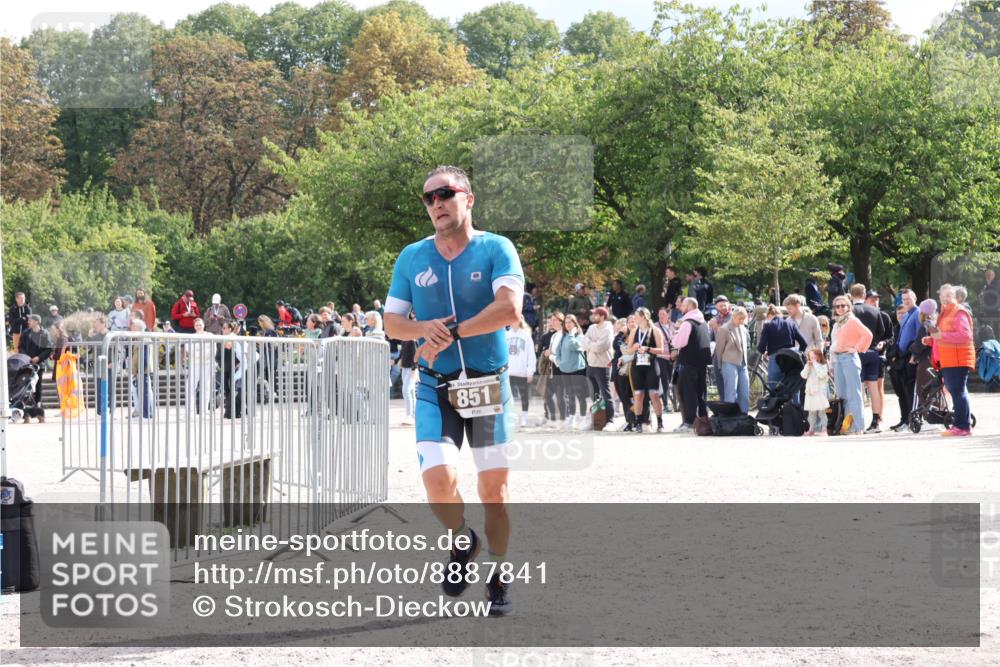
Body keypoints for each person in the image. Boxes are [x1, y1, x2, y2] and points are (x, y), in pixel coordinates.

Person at [382, 165, 523, 615]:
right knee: (438, 485)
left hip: (488, 386)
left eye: (445, 193)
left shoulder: (496, 248)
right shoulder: (412, 256)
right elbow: (392, 322)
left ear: (469, 198)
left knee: (494, 493)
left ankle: (498, 575)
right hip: (435, 388)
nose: (437, 203)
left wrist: (452, 332)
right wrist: (423, 328)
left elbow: (509, 309)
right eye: (429, 198)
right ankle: (464, 540)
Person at [927, 284, 976, 436]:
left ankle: (962, 427)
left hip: (957, 359)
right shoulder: (945, 313)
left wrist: (940, 336)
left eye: (948, 295)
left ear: (955, 296)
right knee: (958, 392)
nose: (945, 298)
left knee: (958, 392)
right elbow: (943, 335)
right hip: (949, 359)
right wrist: (931, 339)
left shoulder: (958, 312)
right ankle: (961, 425)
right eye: (942, 296)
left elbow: (965, 336)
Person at [829, 295, 873, 435]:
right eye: (837, 306)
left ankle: (859, 426)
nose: (840, 308)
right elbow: (834, 344)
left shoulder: (852, 321)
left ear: (849, 307)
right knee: (842, 394)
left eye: (843, 305)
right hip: (837, 360)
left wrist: (857, 348)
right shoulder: (836, 323)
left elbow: (868, 335)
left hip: (849, 359)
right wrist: (832, 363)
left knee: (854, 394)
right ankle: (846, 426)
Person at [849, 284, 888, 432]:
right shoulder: (875, 311)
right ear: (864, 295)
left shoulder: (850, 311)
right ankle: (876, 421)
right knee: (874, 388)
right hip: (872, 352)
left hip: (856, 352)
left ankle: (858, 422)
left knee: (858, 388)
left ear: (851, 295)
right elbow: (881, 332)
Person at [671, 298, 710, 433]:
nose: (680, 307)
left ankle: (689, 422)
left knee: (688, 392)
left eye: (683, 305)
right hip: (702, 362)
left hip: (688, 362)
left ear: (689, 306)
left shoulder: (687, 323)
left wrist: (675, 334)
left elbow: (678, 343)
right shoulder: (703, 322)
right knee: (700, 393)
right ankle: (703, 421)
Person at [757, 304, 808, 403]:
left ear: (769, 316)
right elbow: (804, 343)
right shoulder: (791, 324)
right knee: (793, 384)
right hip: (792, 357)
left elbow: (761, 346)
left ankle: (777, 408)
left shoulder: (768, 326)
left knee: (773, 384)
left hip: (776, 358)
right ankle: (795, 408)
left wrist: (764, 352)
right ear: (780, 314)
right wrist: (798, 353)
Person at [864, 289, 895, 433]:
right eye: (872, 299)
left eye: (876, 299)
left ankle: (878, 419)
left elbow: (891, 337)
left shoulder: (884, 316)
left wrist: (884, 343)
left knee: (877, 388)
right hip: (860, 354)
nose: (875, 302)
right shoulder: (860, 315)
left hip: (877, 356)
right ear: (865, 300)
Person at [889, 289, 919, 431]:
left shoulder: (918, 313)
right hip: (901, 357)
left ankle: (912, 420)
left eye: (908, 299)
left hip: (910, 357)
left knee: (910, 390)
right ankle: (905, 419)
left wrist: (915, 356)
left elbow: (919, 335)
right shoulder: (907, 314)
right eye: (904, 299)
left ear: (915, 298)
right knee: (903, 390)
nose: (906, 301)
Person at [714, 306, 751, 414]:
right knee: (731, 393)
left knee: (744, 393)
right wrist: (720, 365)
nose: (742, 321)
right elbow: (719, 350)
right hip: (729, 363)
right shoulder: (724, 329)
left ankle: (744, 416)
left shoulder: (743, 328)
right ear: (734, 316)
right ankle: (730, 418)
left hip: (743, 364)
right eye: (740, 318)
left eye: (743, 319)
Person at [581, 306, 614, 428]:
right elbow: (583, 344)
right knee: (594, 395)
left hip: (602, 366)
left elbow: (601, 347)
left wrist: (590, 343)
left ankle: (610, 421)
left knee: (606, 394)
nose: (593, 316)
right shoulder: (591, 327)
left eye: (596, 314)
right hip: (591, 365)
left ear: (602, 316)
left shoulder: (608, 329)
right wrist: (593, 343)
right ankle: (595, 421)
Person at [555, 314, 588, 429]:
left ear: (575, 324)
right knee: (570, 395)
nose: (568, 324)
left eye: (570, 322)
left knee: (580, 395)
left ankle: (583, 419)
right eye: (566, 322)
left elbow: (574, 346)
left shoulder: (579, 336)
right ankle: (572, 418)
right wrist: (559, 361)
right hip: (565, 370)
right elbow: (558, 351)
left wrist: (571, 334)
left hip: (577, 370)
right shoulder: (563, 337)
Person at [17, 315, 53, 422]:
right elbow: (20, 347)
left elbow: (48, 349)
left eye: (31, 320)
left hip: (39, 365)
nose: (28, 321)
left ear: (37, 322)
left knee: (38, 388)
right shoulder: (25, 333)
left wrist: (39, 358)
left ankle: (39, 413)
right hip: (27, 364)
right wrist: (26, 357)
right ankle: (26, 415)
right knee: (25, 389)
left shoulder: (45, 333)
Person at [507, 316, 537, 428]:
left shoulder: (526, 335)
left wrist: (530, 371)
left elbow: (531, 355)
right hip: (509, 372)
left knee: (524, 396)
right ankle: (510, 417)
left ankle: (524, 418)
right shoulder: (506, 335)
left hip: (522, 372)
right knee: (508, 397)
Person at [540, 312, 564, 428]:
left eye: (554, 320)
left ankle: (564, 418)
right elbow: (548, 351)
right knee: (548, 394)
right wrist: (547, 353)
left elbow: (561, 354)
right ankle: (552, 417)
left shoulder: (564, 334)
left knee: (561, 395)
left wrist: (551, 355)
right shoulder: (553, 336)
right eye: (551, 320)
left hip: (561, 369)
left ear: (560, 321)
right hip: (551, 368)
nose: (551, 322)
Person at [127, 318, 155, 419]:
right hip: (140, 370)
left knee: (145, 392)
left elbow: (145, 356)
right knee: (143, 392)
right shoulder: (139, 338)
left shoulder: (144, 338)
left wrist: (140, 370)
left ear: (137, 327)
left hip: (143, 370)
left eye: (133, 326)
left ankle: (147, 414)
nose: (131, 328)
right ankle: (146, 413)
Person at [186, 318, 215, 415]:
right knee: (191, 387)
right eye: (196, 325)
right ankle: (191, 410)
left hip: (207, 364)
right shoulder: (191, 336)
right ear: (194, 327)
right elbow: (189, 349)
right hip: (195, 364)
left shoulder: (210, 335)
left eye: (200, 325)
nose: (198, 327)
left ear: (203, 325)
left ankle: (204, 409)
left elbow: (213, 350)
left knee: (206, 386)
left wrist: (199, 351)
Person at [801, 347, 831, 436]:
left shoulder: (823, 366)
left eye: (814, 357)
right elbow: (803, 375)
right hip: (810, 393)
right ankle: (811, 429)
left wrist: (815, 364)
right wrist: (807, 366)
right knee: (811, 412)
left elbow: (821, 375)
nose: (812, 359)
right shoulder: (809, 367)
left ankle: (824, 429)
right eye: (810, 357)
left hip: (819, 393)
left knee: (822, 412)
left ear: (819, 356)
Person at [708, 295, 733, 398]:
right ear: (716, 307)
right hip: (718, 354)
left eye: (724, 305)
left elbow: (729, 336)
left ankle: (731, 404)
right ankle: (724, 403)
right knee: (720, 383)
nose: (723, 307)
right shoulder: (715, 319)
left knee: (730, 383)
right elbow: (711, 337)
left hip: (730, 354)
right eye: (720, 306)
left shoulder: (733, 318)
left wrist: (716, 326)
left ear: (729, 305)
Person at [654, 307, 675, 412]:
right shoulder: (655, 326)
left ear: (668, 315)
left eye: (663, 314)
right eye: (659, 314)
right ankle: (666, 404)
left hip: (673, 356)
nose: (661, 316)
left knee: (672, 380)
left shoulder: (673, 325)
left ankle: (674, 402)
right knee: (664, 380)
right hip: (660, 356)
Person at [398, 318, 419, 427]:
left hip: (412, 368)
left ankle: (409, 415)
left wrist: (415, 369)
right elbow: (402, 354)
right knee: (410, 392)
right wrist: (395, 361)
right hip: (405, 368)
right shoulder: (405, 339)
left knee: (406, 390)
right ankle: (414, 415)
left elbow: (416, 356)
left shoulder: (413, 340)